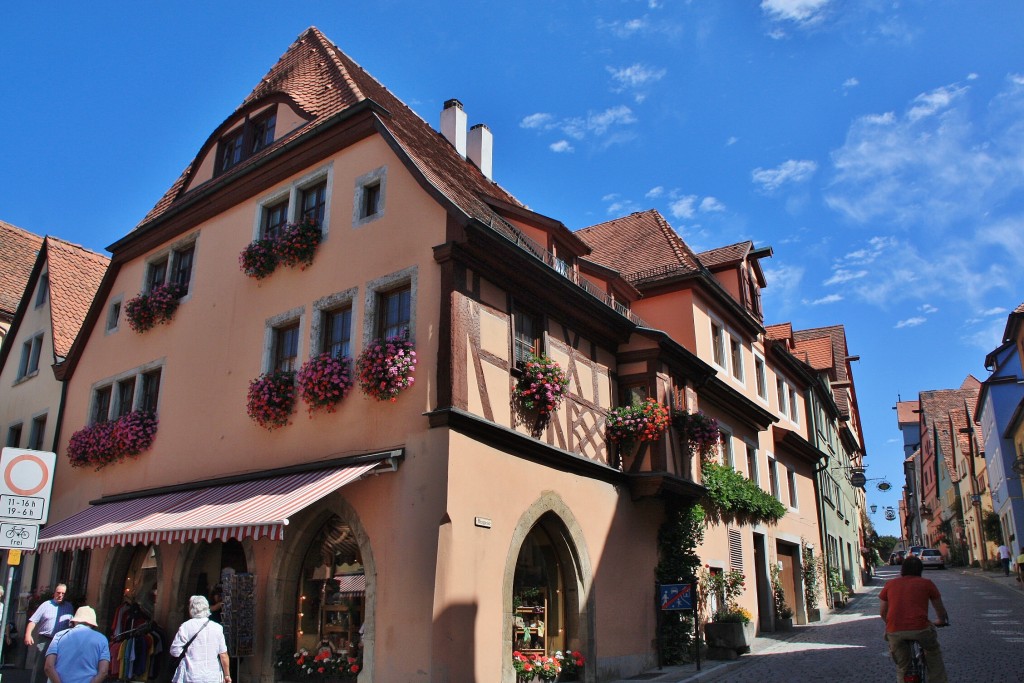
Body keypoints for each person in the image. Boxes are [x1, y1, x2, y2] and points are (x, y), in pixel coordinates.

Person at [879, 555, 949, 683]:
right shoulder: (927, 584)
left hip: (895, 631)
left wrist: (890, 624)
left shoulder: (890, 584)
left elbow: (883, 611)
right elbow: (940, 608)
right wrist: (941, 620)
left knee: (902, 666)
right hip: (921, 629)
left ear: (902, 570)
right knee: (933, 653)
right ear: (920, 570)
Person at [169, 595, 230, 683]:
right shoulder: (217, 628)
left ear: (191, 609)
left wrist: (187, 656)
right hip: (213, 676)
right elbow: (223, 654)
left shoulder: (186, 627)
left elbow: (174, 651)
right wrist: (227, 675)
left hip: (191, 675)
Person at [43, 606, 109, 683]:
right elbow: (103, 671)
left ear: (75, 621)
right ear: (92, 623)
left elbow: (48, 667)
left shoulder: (59, 635)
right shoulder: (102, 639)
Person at [25, 584, 74, 683]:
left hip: (62, 641)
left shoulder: (69, 607)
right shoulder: (46, 605)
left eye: (63, 593)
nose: (60, 595)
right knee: (40, 666)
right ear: (54, 593)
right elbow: (33, 620)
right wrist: (28, 634)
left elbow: (72, 624)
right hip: (45, 640)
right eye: (58, 592)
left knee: (58, 667)